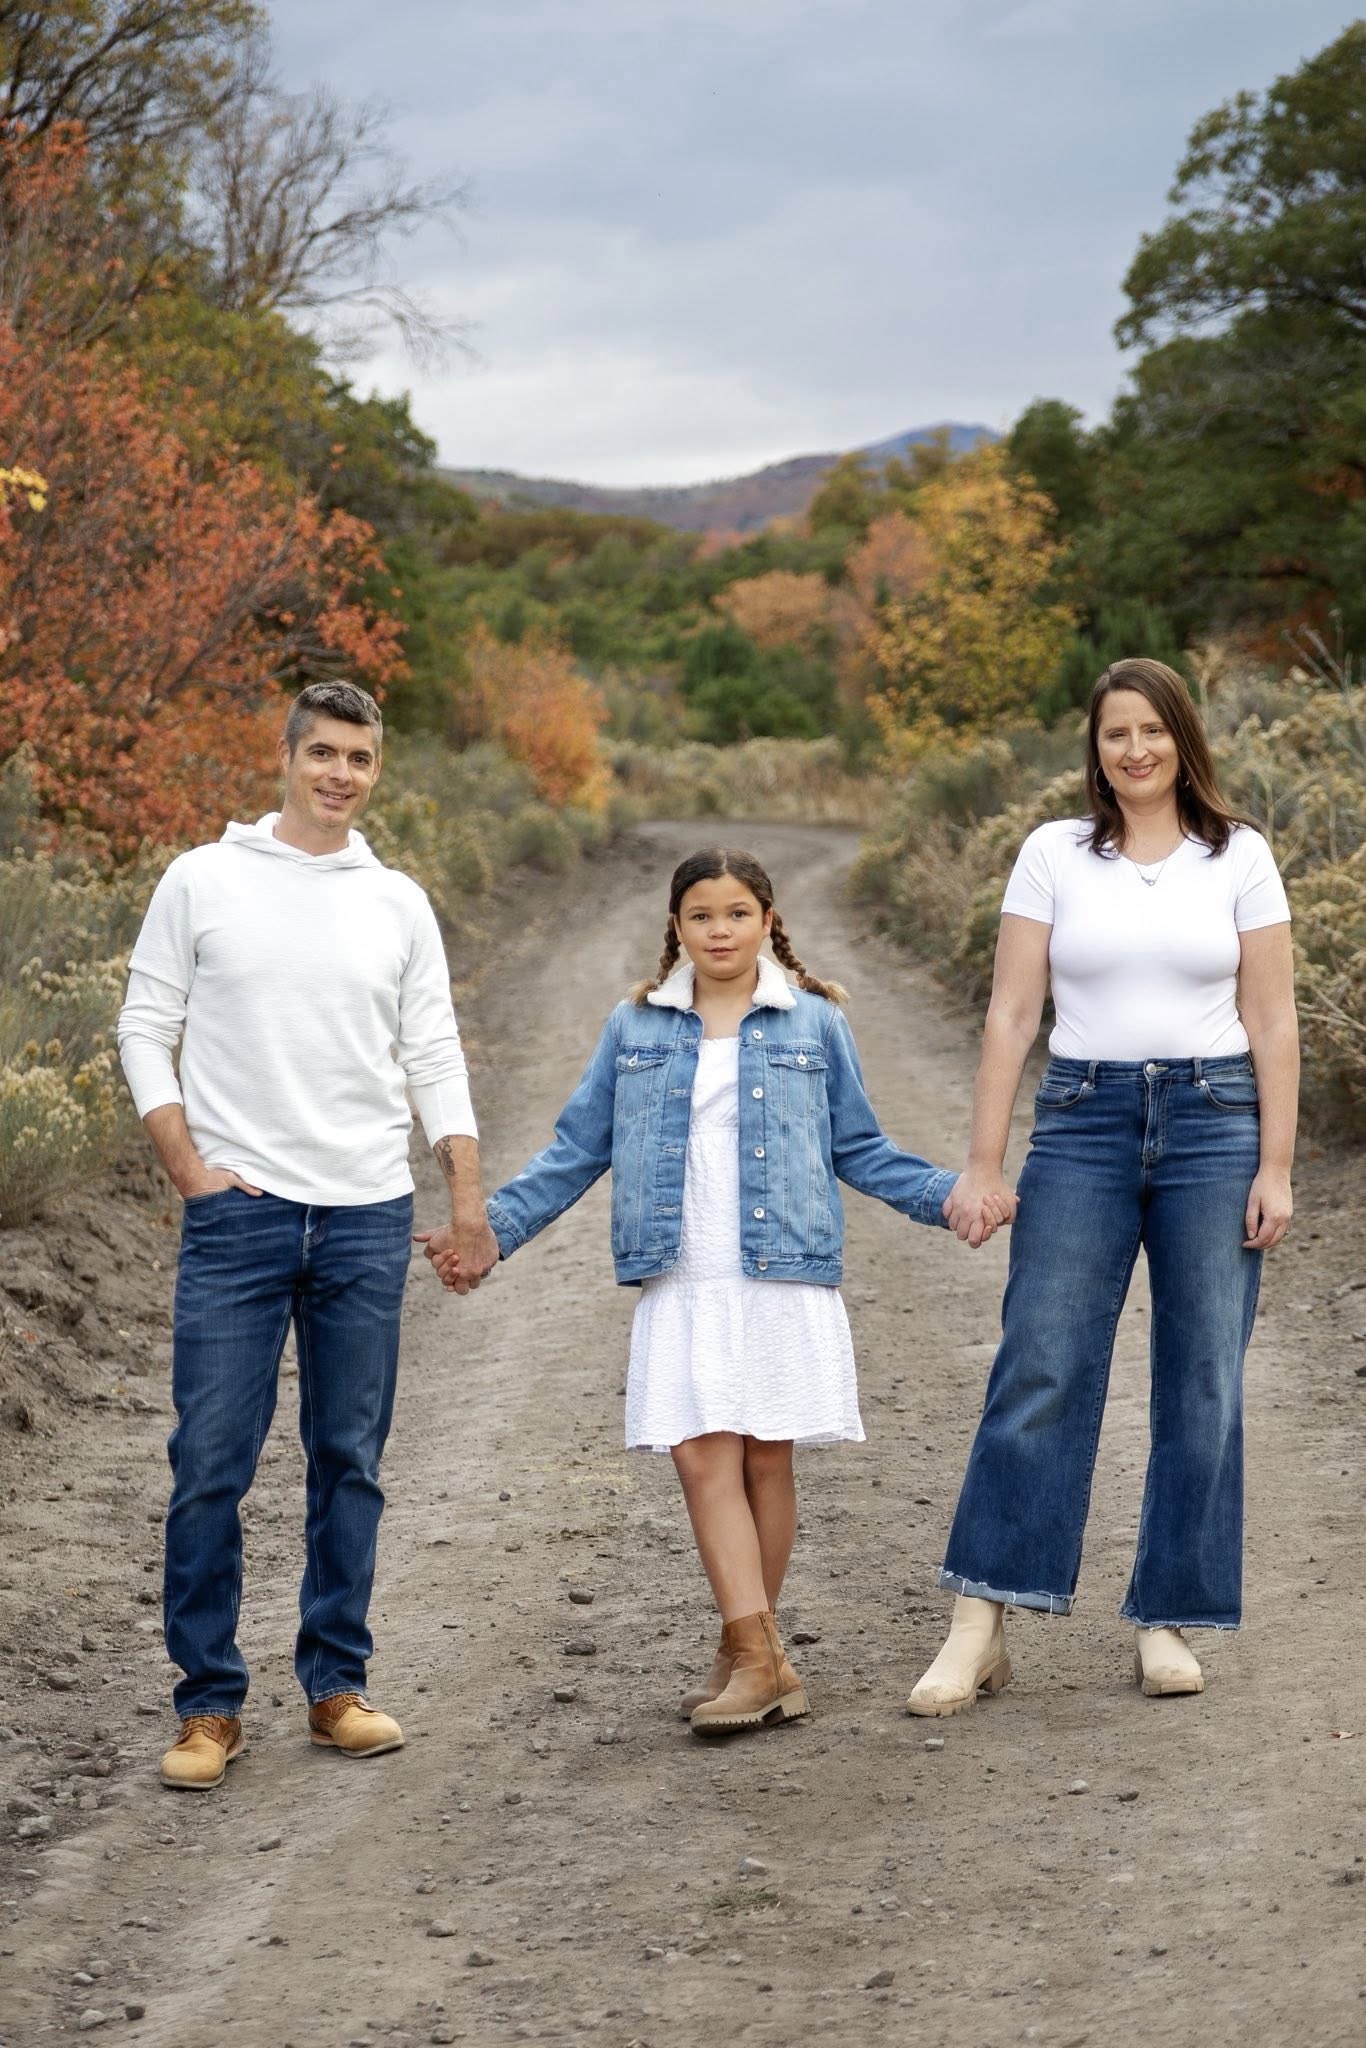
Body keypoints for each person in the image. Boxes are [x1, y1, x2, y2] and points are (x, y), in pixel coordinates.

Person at [428, 848, 1004, 1736]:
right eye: (702, 916)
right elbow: (577, 1148)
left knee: (765, 1458)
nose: (720, 931)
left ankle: (752, 1654)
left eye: (737, 914)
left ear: (767, 920)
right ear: (677, 927)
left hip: (781, 1264)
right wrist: (492, 1232)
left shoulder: (814, 1022)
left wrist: (949, 1198)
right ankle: (759, 1650)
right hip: (686, 1264)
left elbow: (859, 1148)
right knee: (703, 1453)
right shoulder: (637, 1028)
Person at [117, 681, 498, 1790]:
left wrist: (463, 1194)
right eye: (322, 752)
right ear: (285, 756)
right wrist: (190, 1167)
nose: (340, 773)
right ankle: (207, 1704)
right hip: (239, 1218)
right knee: (209, 1464)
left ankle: (336, 1683)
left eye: (360, 758)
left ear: (377, 770)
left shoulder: (397, 902)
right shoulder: (203, 879)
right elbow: (146, 1025)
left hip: (367, 1214)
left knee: (349, 1460)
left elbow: (433, 1052)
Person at [907, 658, 1297, 1717]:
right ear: (1095, 747)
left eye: (1151, 731)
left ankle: (1169, 1614)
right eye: (1115, 733)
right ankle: (980, 1619)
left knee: (1203, 1373)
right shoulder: (1053, 855)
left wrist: (1275, 1164)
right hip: (1081, 1121)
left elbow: (1271, 1021)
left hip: (1216, 1128)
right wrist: (983, 1164)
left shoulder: (1239, 858)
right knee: (1040, 1358)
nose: (1133, 750)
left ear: (1182, 739)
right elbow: (1007, 1015)